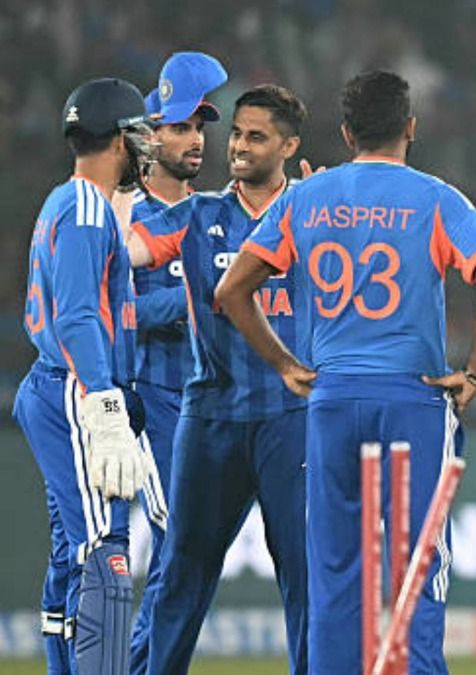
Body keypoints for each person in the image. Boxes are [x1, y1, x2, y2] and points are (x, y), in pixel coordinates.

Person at [215, 70, 476, 674]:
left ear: (347, 133)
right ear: (411, 128)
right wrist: (475, 373)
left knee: (333, 569)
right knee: (417, 563)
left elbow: (231, 290)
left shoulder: (304, 198)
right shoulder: (437, 198)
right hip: (412, 399)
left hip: (331, 400)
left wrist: (284, 364)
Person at [124, 84, 309, 675]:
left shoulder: (313, 213)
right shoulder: (197, 215)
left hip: (292, 419)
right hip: (210, 420)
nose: (238, 146)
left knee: (304, 573)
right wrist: (102, 200)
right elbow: (123, 253)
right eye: (236, 134)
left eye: (256, 137)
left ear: (288, 146)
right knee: (182, 571)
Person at [15, 77, 154, 675]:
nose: (146, 147)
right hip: (74, 389)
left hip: (54, 385)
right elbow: (76, 315)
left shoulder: (63, 200)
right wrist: (105, 404)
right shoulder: (90, 208)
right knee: (105, 553)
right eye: (140, 135)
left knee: (71, 554)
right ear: (119, 140)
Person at [124, 51, 227, 675]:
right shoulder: (127, 216)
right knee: (177, 547)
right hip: (150, 397)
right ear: (150, 136)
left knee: (191, 555)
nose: (195, 140)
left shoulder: (210, 214)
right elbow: (113, 311)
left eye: (199, 127)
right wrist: (193, 298)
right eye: (180, 127)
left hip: (205, 400)